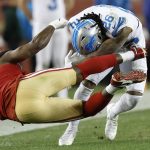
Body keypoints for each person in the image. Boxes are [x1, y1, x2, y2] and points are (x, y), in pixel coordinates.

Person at [0, 18, 146, 125]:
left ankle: (113, 86)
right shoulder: (2, 58)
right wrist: (53, 25)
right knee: (82, 69)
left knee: (84, 110)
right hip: (24, 87)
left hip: (23, 112)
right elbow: (35, 46)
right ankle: (133, 54)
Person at [59, 5, 147, 145]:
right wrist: (72, 63)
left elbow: (112, 47)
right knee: (87, 83)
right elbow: (85, 50)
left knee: (134, 98)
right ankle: (71, 128)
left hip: (131, 44)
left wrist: (82, 61)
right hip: (107, 42)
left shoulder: (125, 24)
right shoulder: (75, 22)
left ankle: (112, 113)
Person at [18, 0, 74, 97]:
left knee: (60, 61)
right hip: (42, 25)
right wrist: (32, 18)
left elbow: (70, 1)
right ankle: (38, 94)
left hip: (59, 25)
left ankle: (63, 96)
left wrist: (62, 14)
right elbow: (22, 3)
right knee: (43, 62)